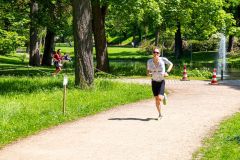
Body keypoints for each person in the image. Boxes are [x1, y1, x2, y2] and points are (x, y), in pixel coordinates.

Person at [147, 48, 173, 120]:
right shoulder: (149, 61)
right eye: (154, 52)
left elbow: (171, 64)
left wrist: (167, 72)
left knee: (159, 98)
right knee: (156, 99)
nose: (155, 54)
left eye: (157, 53)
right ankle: (160, 114)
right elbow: (148, 71)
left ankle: (163, 96)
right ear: (152, 53)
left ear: (159, 54)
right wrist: (148, 74)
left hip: (161, 81)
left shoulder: (163, 59)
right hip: (154, 81)